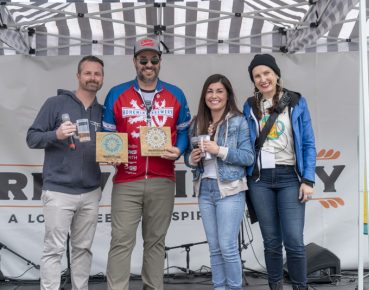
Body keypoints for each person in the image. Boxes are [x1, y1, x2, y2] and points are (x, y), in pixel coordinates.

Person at [103, 37, 191, 290]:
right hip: (126, 179)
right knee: (121, 240)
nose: (148, 64)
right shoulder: (117, 93)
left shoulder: (175, 94)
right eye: (143, 60)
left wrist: (180, 149)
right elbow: (108, 135)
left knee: (155, 242)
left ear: (160, 62)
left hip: (162, 179)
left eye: (154, 59)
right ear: (135, 62)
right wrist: (110, 153)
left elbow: (184, 131)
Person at [26, 55, 104, 290]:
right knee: (54, 250)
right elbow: (32, 138)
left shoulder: (103, 111)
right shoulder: (55, 104)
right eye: (88, 73)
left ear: (102, 78)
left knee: (83, 249)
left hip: (91, 190)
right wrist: (56, 135)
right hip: (59, 190)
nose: (93, 78)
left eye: (97, 74)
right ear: (78, 76)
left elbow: (112, 144)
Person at [243, 54, 316, 290]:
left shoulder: (295, 101)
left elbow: (308, 143)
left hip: (289, 177)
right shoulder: (249, 105)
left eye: (267, 73)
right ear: (253, 81)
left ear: (276, 74)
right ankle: (275, 287)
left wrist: (308, 179)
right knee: (271, 242)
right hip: (260, 179)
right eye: (257, 76)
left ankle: (300, 287)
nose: (263, 79)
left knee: (294, 241)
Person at [185, 74, 254, 290]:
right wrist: (191, 159)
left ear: (228, 95)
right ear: (204, 95)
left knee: (227, 246)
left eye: (219, 91)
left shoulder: (239, 121)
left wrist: (220, 150)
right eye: (210, 91)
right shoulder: (197, 122)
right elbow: (189, 156)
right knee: (214, 248)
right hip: (205, 189)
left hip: (230, 190)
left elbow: (248, 157)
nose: (214, 96)